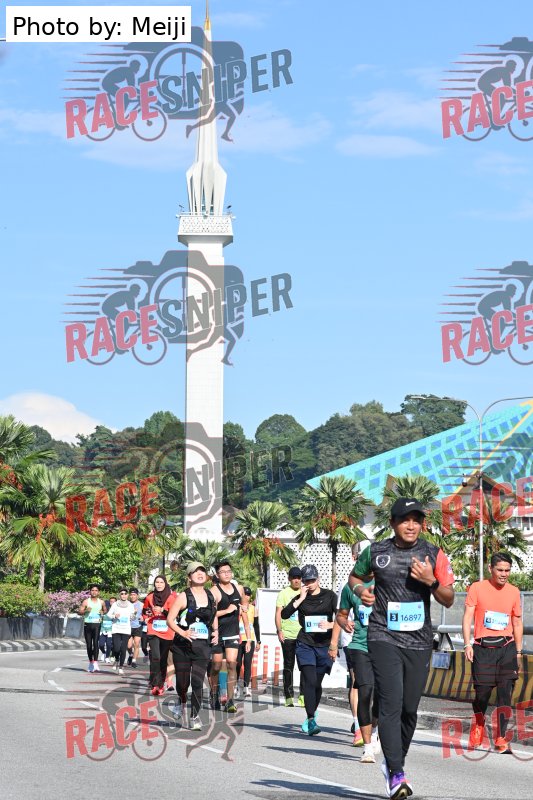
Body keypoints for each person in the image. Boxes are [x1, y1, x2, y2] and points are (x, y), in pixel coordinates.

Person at [350, 497, 454, 800]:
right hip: (382, 635)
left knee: (410, 708)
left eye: (416, 520)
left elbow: (449, 598)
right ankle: (396, 773)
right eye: (405, 520)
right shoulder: (376, 552)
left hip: (419, 640)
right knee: (391, 704)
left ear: (422, 524)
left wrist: (431, 581)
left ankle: (395, 764)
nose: (411, 525)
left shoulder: (434, 553)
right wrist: (361, 590)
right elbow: (355, 577)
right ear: (393, 523)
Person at [462, 552, 523, 754]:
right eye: (500, 570)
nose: (504, 574)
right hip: (482, 649)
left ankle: (501, 737)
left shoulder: (514, 591)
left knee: (505, 693)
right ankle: (479, 722)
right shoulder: (477, 588)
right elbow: (468, 617)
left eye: (507, 570)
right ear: (490, 569)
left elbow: (517, 622)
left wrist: (518, 652)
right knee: (482, 694)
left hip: (507, 648)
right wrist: (467, 644)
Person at [280, 564, 338, 736]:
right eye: (306, 581)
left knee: (317, 683)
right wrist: (300, 598)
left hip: (324, 645)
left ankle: (311, 713)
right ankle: (311, 719)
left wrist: (330, 624)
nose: (309, 584)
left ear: (318, 579)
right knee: (310, 681)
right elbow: (284, 614)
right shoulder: (301, 597)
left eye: (312, 580)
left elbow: (342, 617)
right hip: (305, 644)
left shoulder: (330, 596)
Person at [331, 578, 379, 761]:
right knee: (364, 691)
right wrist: (343, 623)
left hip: (385, 648)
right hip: (359, 645)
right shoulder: (349, 587)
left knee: (381, 695)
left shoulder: (388, 581)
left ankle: (375, 730)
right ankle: (367, 747)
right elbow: (341, 615)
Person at [167, 562, 219, 729]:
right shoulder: (184, 596)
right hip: (182, 646)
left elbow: (214, 615)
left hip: (202, 646)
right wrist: (183, 633)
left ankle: (194, 716)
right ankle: (181, 700)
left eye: (202, 571)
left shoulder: (210, 596)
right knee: (183, 683)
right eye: (195, 572)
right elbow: (170, 620)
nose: (200, 574)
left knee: (197, 682)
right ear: (189, 577)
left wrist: (216, 631)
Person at [209, 561, 251, 713]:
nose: (226, 574)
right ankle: (214, 694)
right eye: (223, 572)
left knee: (232, 664)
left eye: (229, 571)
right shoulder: (214, 591)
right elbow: (211, 614)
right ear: (217, 574)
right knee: (216, 666)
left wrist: (244, 607)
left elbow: (244, 605)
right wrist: (227, 611)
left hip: (232, 632)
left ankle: (230, 700)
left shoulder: (238, 588)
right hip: (217, 633)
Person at [275, 567, 306, 707]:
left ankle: (303, 695)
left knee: (304, 666)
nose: (297, 580)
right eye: (294, 578)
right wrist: (279, 630)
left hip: (303, 635)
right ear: (289, 579)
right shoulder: (283, 593)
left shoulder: (305, 592)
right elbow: (278, 613)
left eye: (299, 577)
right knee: (288, 666)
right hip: (288, 635)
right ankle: (288, 696)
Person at [143, 575, 176, 695]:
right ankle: (156, 684)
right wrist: (146, 618)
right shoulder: (150, 597)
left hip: (167, 632)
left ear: (165, 584)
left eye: (161, 582)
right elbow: (144, 610)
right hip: (153, 630)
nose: (159, 584)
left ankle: (161, 684)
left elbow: (174, 614)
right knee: (156, 657)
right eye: (157, 582)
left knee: (163, 659)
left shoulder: (171, 598)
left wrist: (163, 610)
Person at [236, 587, 261, 698]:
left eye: (248, 594)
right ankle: (235, 685)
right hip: (238, 639)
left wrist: (258, 640)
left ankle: (246, 687)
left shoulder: (253, 608)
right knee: (237, 663)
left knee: (247, 663)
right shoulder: (237, 607)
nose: (246, 596)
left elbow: (256, 625)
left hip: (249, 639)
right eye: (244, 594)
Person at [108, 590, 136, 675]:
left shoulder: (130, 605)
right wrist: (114, 616)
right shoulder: (115, 604)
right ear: (119, 595)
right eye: (122, 594)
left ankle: (120, 667)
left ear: (127, 595)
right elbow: (108, 614)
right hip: (116, 629)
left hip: (126, 630)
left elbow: (132, 618)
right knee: (116, 648)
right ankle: (117, 659)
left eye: (125, 594)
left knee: (123, 649)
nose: (124, 595)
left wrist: (134, 614)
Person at [79, 584, 105, 673]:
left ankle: (96, 662)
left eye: (96, 590)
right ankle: (91, 662)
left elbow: (105, 610)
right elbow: (80, 612)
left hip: (97, 624)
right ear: (90, 592)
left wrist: (103, 612)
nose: (94, 592)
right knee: (89, 645)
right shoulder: (86, 602)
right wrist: (86, 610)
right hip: (88, 625)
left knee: (96, 643)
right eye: (92, 590)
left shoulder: (101, 602)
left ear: (98, 592)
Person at [127, 587, 143, 668]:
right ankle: (131, 654)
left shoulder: (142, 605)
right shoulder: (127, 604)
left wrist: (143, 618)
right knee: (129, 646)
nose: (132, 596)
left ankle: (134, 661)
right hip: (128, 627)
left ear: (137, 595)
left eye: (134, 595)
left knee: (136, 644)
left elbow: (146, 614)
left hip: (138, 626)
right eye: (131, 595)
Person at [98, 597, 116, 663]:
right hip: (102, 630)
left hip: (110, 631)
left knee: (109, 645)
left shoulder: (116, 611)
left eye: (114, 601)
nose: (112, 603)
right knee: (101, 645)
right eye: (111, 601)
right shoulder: (103, 611)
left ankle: (107, 657)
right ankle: (104, 652)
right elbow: (99, 620)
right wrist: (100, 616)